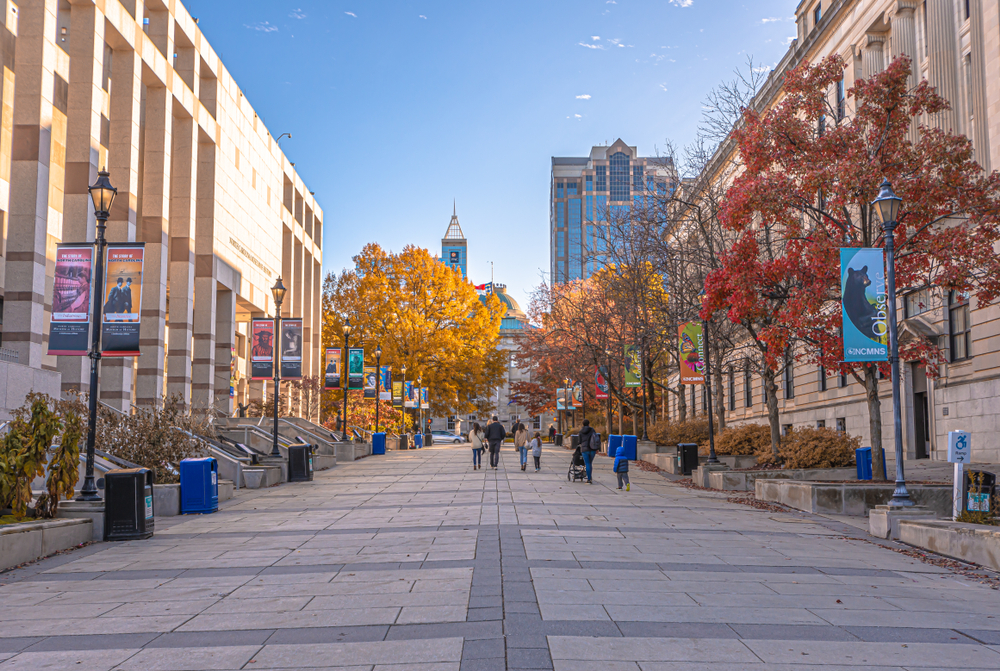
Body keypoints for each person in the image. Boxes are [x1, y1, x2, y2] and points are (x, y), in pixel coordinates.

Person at [578, 419, 597, 484]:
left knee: (587, 463)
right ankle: (589, 477)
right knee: (590, 463)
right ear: (589, 424)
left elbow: (579, 441)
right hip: (592, 448)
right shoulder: (592, 430)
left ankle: (589, 479)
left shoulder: (580, 431)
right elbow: (596, 438)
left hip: (584, 449)